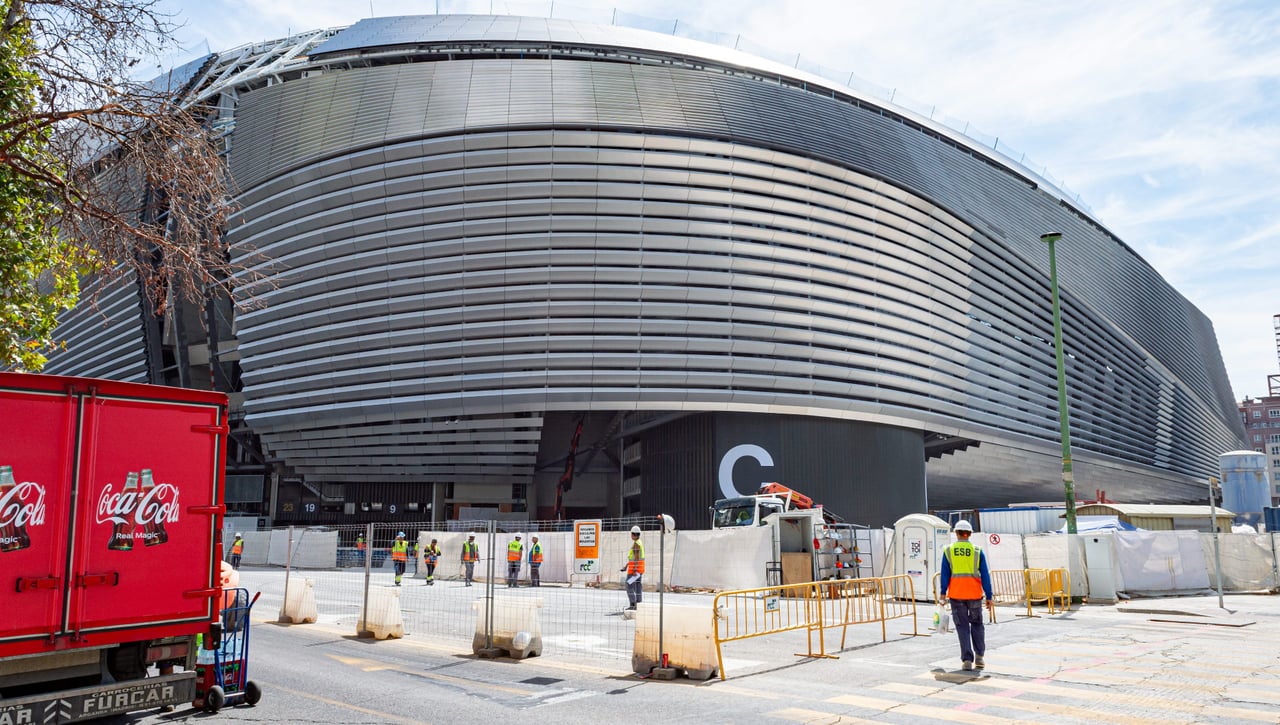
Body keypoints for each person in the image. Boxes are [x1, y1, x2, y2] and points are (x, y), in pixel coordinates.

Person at [939, 519, 995, 671]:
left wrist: (942, 595)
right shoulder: (977, 551)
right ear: (970, 534)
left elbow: (944, 575)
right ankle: (980, 657)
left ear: (956, 533)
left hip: (957, 595)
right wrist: (989, 596)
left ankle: (967, 660)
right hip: (975, 594)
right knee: (977, 624)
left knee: (962, 627)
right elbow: (985, 575)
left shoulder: (948, 550)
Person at [620, 525, 645, 610]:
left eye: (631, 534)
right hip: (640, 568)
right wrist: (626, 566)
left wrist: (634, 569)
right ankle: (638, 604)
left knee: (628, 584)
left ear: (633, 534)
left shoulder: (636, 544)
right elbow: (634, 558)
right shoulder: (639, 542)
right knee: (638, 585)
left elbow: (637, 558)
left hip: (635, 570)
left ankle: (633, 604)